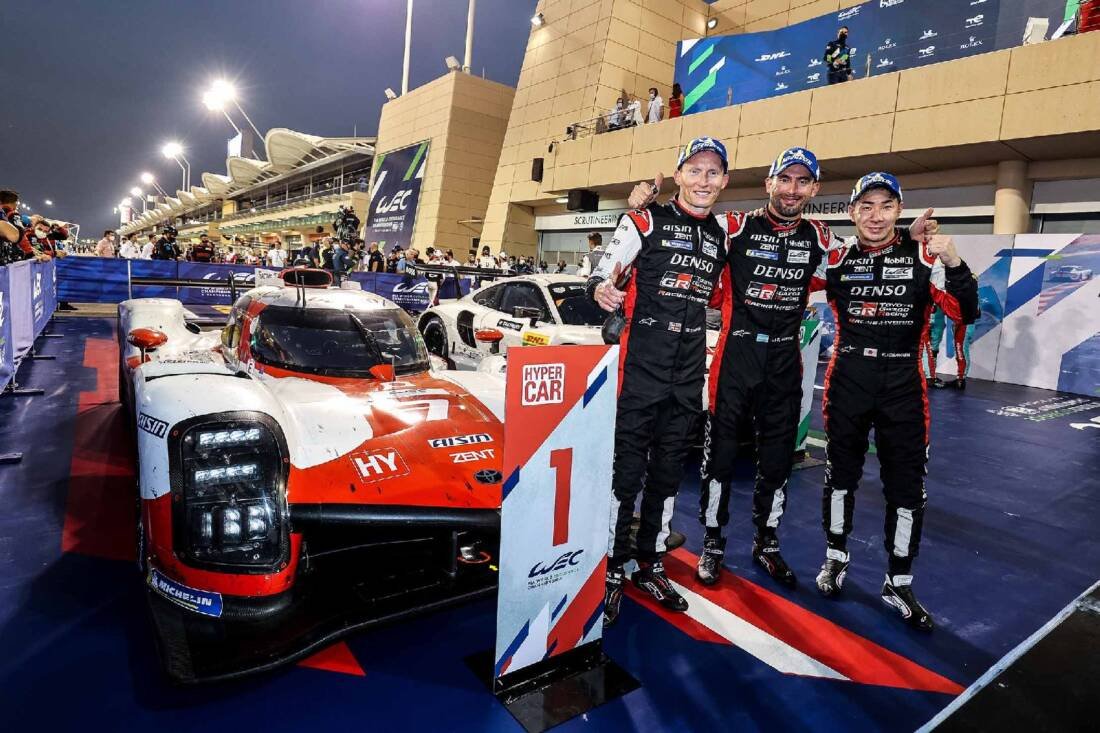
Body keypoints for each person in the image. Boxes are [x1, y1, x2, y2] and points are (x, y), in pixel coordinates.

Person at [627, 148, 938, 589]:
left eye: (802, 181)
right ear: (769, 183)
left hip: (784, 363)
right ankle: (713, 543)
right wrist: (645, 205)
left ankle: (767, 543)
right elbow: (683, 224)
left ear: (814, 188)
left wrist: (906, 235)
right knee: (719, 460)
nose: (792, 189)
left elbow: (868, 249)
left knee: (776, 463)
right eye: (785, 179)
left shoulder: (821, 238)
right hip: (735, 359)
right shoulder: (734, 226)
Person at [815, 172, 978, 630]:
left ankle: (899, 581)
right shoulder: (837, 259)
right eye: (866, 206)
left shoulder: (924, 257)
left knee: (907, 490)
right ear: (852, 211)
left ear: (898, 211)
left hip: (903, 385)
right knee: (839, 479)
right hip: (848, 380)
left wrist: (955, 261)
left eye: (886, 206)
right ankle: (835, 557)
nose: (875, 215)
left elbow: (965, 312)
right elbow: (786, 285)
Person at [588, 136, 731, 624]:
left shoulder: (723, 236)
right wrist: (602, 289)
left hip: (687, 375)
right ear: (678, 174)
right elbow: (602, 275)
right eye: (695, 170)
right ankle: (610, 567)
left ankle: (649, 563)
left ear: (724, 181)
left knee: (668, 477)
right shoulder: (644, 220)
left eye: (713, 172)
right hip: (640, 371)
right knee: (625, 477)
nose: (703, 181)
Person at [922, 306, 975, 390]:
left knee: (960, 349)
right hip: (931, 318)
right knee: (930, 348)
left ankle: (959, 380)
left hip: (961, 322)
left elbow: (974, 311)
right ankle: (931, 377)